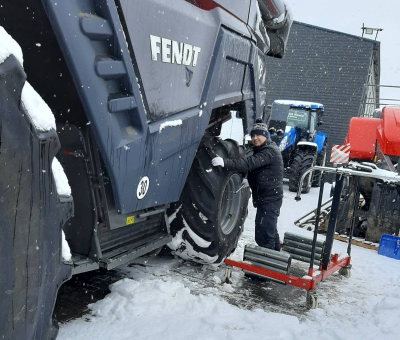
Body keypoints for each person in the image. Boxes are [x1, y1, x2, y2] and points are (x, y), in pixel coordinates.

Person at [212, 120, 284, 251]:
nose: (255, 138)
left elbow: (249, 163)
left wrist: (225, 162)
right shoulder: (263, 149)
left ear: (265, 135)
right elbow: (258, 169)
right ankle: (276, 264)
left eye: (259, 135)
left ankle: (265, 265)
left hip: (270, 199)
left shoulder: (269, 151)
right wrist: (249, 180)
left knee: (264, 234)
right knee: (270, 231)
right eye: (253, 135)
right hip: (267, 198)